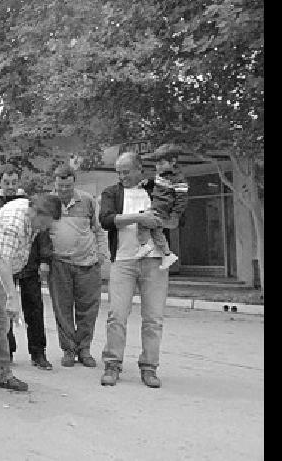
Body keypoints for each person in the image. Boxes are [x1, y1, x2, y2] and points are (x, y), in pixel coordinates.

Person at [98, 152, 178, 388]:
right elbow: (106, 220)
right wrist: (138, 218)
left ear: (139, 169)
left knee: (153, 318)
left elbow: (174, 216)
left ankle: (149, 367)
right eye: (118, 172)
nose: (122, 176)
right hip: (123, 260)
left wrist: (159, 221)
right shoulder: (111, 193)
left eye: (126, 171)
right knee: (117, 316)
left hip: (155, 262)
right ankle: (112, 364)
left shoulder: (156, 188)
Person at [0, 194, 63, 391]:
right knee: (1, 321)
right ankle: (2, 374)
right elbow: (1, 262)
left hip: (5, 267)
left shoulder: (28, 210)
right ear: (36, 213)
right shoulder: (12, 225)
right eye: (45, 224)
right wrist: (12, 297)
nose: (45, 229)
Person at [45, 164, 111, 368]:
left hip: (88, 263)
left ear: (74, 183)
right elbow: (40, 233)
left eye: (67, 186)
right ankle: (68, 350)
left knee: (88, 309)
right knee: (62, 309)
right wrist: (44, 261)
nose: (64, 190)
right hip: (59, 264)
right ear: (55, 184)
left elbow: (99, 230)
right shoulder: (48, 202)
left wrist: (102, 253)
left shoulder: (88, 201)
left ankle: (84, 349)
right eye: (60, 186)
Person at [134, 144, 190, 269]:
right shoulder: (161, 175)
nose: (157, 167)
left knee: (141, 220)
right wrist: (148, 182)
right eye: (156, 164)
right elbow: (157, 183)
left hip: (163, 210)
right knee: (156, 232)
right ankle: (167, 254)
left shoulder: (179, 180)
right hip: (157, 207)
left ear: (173, 162)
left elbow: (182, 200)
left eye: (161, 164)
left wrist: (175, 216)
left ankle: (145, 245)